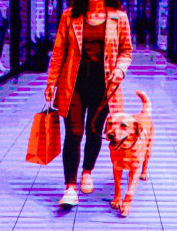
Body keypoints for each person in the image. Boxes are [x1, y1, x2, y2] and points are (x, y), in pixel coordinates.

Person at [45, 0, 132, 210]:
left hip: (104, 86)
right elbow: (59, 52)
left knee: (94, 132)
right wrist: (51, 82)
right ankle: (70, 187)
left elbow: (126, 51)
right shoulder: (70, 16)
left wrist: (120, 69)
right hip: (72, 84)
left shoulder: (118, 17)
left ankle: (87, 171)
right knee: (73, 132)